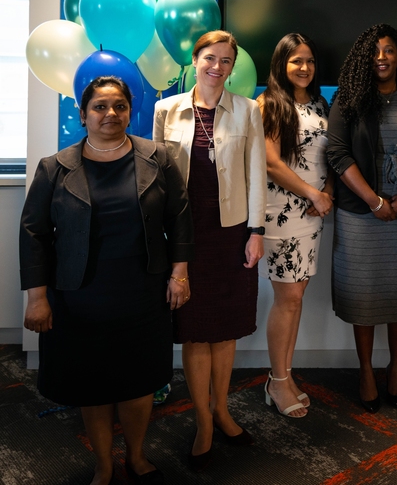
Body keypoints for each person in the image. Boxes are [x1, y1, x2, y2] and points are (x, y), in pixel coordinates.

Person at [21, 76, 192, 485]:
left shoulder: (159, 157)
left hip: (143, 292)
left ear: (130, 112)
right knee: (91, 384)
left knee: (139, 381)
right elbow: (33, 234)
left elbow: (180, 218)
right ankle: (103, 464)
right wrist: (37, 298)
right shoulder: (54, 167)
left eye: (119, 106)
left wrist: (180, 274)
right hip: (79, 296)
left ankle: (136, 456)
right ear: (83, 115)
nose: (110, 113)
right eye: (99, 106)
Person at [153, 30, 266, 469]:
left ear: (232, 67)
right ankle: (202, 419)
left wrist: (256, 231)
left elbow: (257, 173)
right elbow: (156, 179)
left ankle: (222, 410)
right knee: (194, 329)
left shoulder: (248, 110)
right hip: (185, 236)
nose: (217, 66)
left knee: (225, 327)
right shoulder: (166, 110)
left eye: (225, 60)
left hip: (231, 233)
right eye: (210, 58)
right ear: (195, 60)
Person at [326, 24, 397, 413]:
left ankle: (396, 365)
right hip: (361, 214)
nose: (381, 57)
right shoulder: (349, 98)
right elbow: (338, 153)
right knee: (364, 294)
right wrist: (374, 201)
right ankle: (366, 370)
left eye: (388, 50)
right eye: (374, 51)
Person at [258, 33, 332, 419]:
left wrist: (327, 192)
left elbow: (329, 155)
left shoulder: (320, 103)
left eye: (310, 61)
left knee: (296, 297)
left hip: (312, 214)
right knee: (287, 298)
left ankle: (283, 377)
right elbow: (271, 163)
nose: (304, 68)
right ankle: (277, 379)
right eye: (296, 61)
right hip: (282, 214)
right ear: (281, 64)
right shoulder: (269, 103)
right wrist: (313, 194)